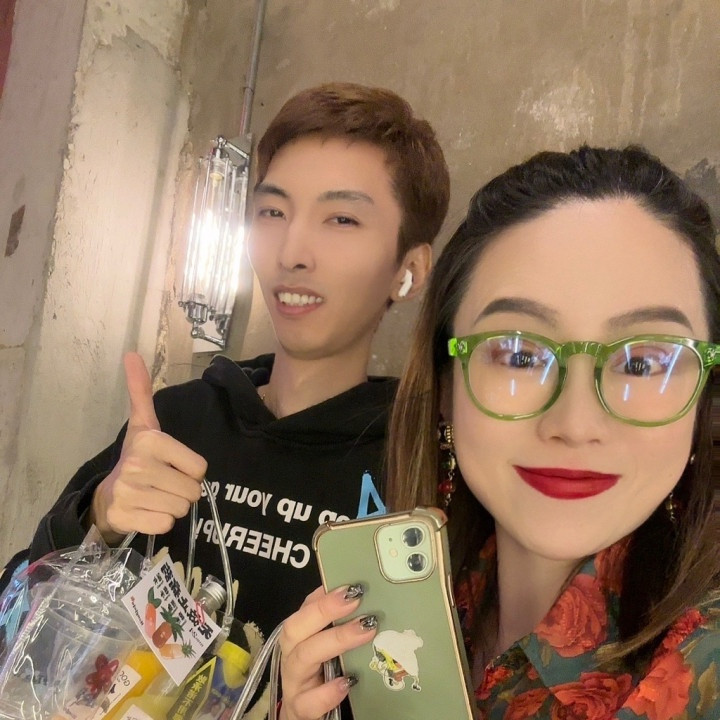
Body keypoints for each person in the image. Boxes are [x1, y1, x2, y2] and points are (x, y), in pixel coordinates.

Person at [277, 145, 720, 720]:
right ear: (445, 386)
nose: (576, 424)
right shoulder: (426, 595)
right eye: (517, 354)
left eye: (642, 363)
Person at [22, 83, 449, 654]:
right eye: (272, 211)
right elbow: (24, 612)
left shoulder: (418, 466)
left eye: (342, 219)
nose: (291, 252)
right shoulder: (177, 420)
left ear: (409, 270)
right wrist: (100, 517)